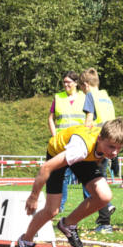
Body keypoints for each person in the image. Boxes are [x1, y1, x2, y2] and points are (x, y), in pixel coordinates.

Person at [11, 119, 123, 247]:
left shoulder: (105, 141)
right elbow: (45, 167)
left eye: (118, 148)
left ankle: (68, 224)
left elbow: (100, 153)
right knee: (52, 210)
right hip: (58, 152)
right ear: (99, 139)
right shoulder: (79, 150)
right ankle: (25, 242)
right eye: (111, 147)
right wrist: (34, 196)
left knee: (104, 196)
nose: (114, 152)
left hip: (84, 157)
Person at [81, 68, 117, 232]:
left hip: (97, 142)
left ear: (86, 85)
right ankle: (105, 217)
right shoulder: (105, 96)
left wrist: (82, 135)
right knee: (99, 179)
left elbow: (89, 120)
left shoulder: (91, 96)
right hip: (109, 142)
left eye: (82, 88)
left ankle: (105, 215)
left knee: (90, 182)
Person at [48, 71, 86, 212]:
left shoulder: (84, 97)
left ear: (76, 83)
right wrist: (54, 136)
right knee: (61, 176)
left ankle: (90, 204)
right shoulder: (58, 97)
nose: (66, 84)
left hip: (81, 142)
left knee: (86, 176)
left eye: (69, 82)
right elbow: (50, 118)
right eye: (64, 82)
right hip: (62, 143)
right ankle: (60, 206)